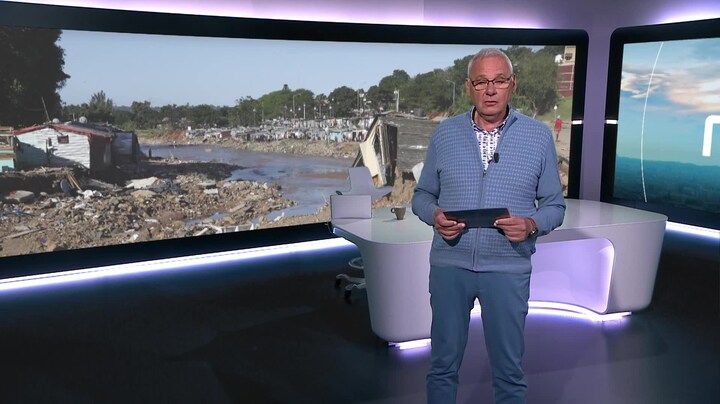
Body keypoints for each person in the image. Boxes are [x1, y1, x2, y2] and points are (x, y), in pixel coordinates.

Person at [411, 48, 566, 404]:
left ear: (513, 84)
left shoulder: (538, 136)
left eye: (499, 81)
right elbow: (421, 196)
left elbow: (555, 206)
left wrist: (531, 224)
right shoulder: (445, 134)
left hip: (508, 269)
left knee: (509, 373)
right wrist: (434, 215)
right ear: (469, 87)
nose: (491, 90)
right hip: (450, 267)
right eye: (481, 82)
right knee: (442, 366)